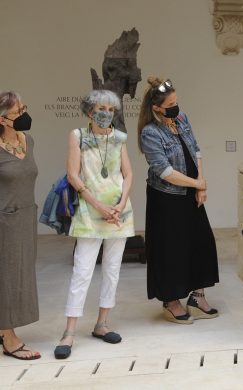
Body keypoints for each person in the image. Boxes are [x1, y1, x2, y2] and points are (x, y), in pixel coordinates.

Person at [54, 90, 135, 359]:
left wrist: (122, 203)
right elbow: (73, 176)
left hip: (118, 213)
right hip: (90, 212)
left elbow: (128, 172)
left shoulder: (120, 138)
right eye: (102, 108)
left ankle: (102, 324)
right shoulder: (77, 136)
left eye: (112, 110)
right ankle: (69, 332)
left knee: (112, 270)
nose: (107, 114)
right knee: (82, 271)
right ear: (90, 111)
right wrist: (99, 206)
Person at [138, 77, 219, 324]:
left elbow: (196, 150)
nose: (176, 107)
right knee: (170, 249)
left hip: (190, 193)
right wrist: (196, 184)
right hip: (166, 199)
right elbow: (163, 171)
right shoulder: (149, 133)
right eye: (170, 104)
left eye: (176, 101)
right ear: (156, 107)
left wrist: (200, 183)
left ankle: (197, 296)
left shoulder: (181, 118)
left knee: (201, 242)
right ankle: (171, 301)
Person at [0, 91, 40, 360]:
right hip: (4, 219)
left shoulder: (29, 140)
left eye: (25, 108)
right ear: (2, 119)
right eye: (18, 112)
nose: (24, 115)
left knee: (21, 275)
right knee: (7, 278)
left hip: (26, 218)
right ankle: (8, 335)